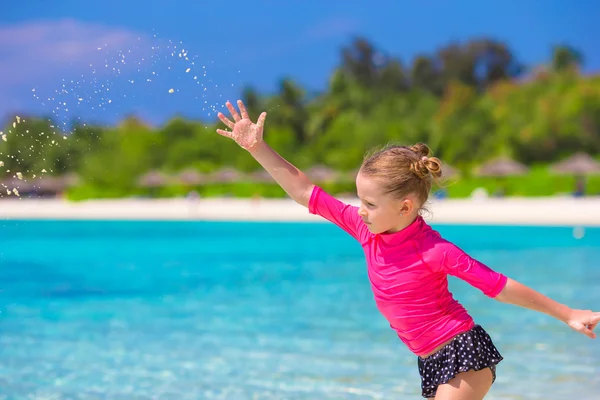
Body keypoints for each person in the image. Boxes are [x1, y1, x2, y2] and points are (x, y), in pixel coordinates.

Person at [216, 100, 600, 400]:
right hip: (430, 360)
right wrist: (257, 148)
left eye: (369, 203)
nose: (359, 210)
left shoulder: (435, 250)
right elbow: (305, 192)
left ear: (405, 207)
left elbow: (499, 286)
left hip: (462, 352)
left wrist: (565, 313)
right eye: (359, 200)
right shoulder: (364, 228)